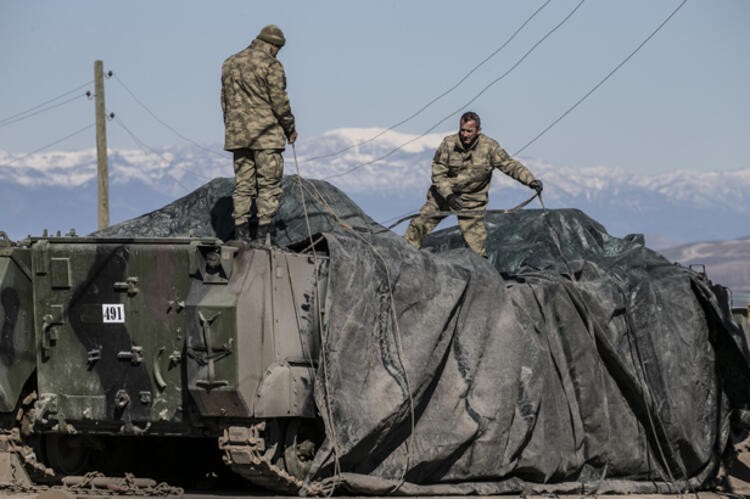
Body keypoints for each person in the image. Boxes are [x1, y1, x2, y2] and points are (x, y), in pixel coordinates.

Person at [404, 111, 542, 257]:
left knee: (477, 250)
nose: (465, 134)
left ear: (478, 131)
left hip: (472, 201)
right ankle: (403, 257)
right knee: (418, 225)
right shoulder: (448, 144)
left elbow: (510, 166)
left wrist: (530, 180)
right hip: (443, 196)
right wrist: (448, 195)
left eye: (469, 131)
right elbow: (438, 173)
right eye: (462, 130)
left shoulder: (489, 147)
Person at [221, 24, 297, 244]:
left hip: (237, 136)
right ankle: (264, 236)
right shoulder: (271, 65)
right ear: (273, 46)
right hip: (266, 136)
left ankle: (241, 234)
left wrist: (233, 127)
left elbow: (224, 101)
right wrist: (289, 128)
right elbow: (279, 102)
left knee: (243, 185)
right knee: (269, 186)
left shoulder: (230, 63)